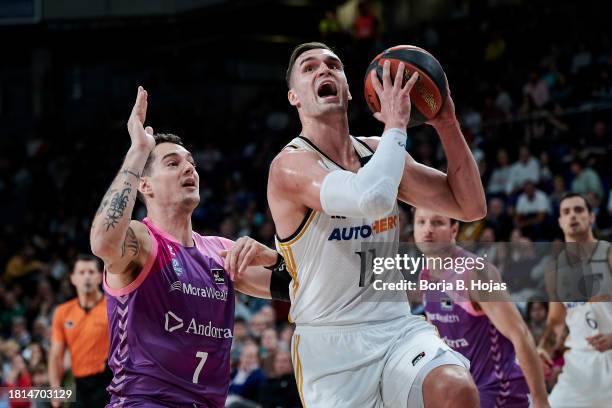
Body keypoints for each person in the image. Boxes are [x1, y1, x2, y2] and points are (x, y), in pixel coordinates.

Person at [265, 42, 486, 407]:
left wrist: (446, 123)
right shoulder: (289, 167)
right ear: (294, 97)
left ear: (351, 89)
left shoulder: (376, 151)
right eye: (309, 68)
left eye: (333, 65)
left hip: (396, 326)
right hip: (331, 346)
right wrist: (397, 126)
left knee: (455, 390)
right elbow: (369, 197)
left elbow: (470, 205)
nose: (324, 70)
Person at [89, 87, 288, 407]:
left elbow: (300, 287)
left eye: (191, 163)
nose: (188, 168)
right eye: (172, 163)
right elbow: (102, 242)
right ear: (145, 185)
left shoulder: (221, 252)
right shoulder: (142, 240)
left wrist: (277, 259)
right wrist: (138, 151)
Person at [413, 207, 549, 408]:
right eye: (421, 222)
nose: (428, 230)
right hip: (463, 391)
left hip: (498, 392)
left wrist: (541, 401)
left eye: (437, 222)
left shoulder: (476, 273)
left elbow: (521, 334)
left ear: (454, 230)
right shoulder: (425, 275)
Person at [538, 193, 612, 407]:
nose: (573, 216)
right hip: (579, 366)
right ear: (560, 221)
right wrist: (544, 349)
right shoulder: (555, 269)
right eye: (566, 212)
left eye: (579, 210)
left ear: (592, 218)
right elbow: (555, 322)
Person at [48, 254, 111, 408]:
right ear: (73, 278)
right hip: (79, 384)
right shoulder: (62, 312)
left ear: (100, 276)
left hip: (110, 382)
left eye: (91, 272)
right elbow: (56, 355)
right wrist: (55, 387)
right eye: (81, 273)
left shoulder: (113, 307)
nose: (86, 277)